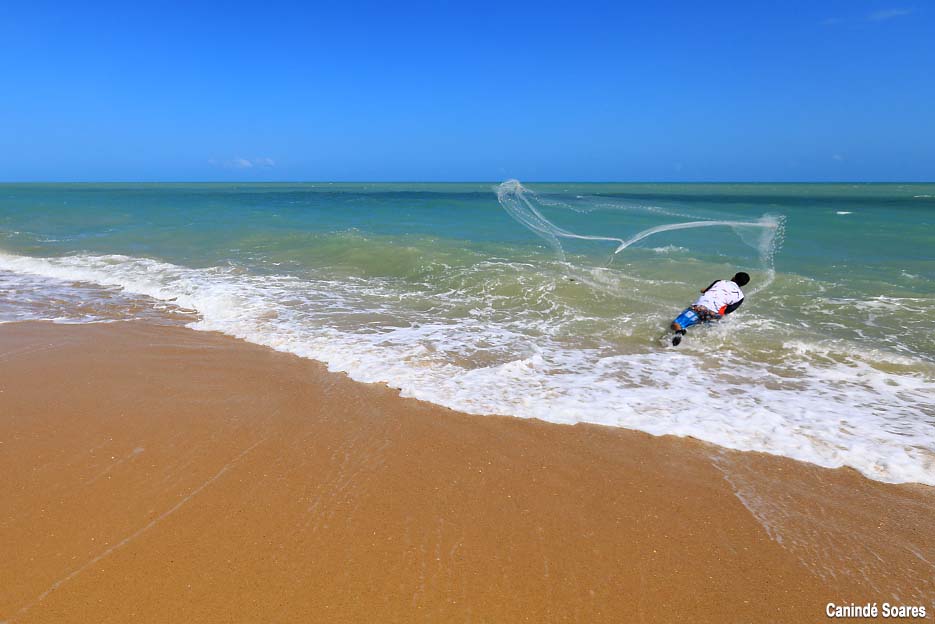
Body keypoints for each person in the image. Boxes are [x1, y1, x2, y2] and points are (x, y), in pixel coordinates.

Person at [670, 272, 750, 346]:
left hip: (700, 308)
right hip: (714, 315)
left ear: (734, 277)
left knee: (676, 324)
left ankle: (679, 333)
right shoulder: (741, 297)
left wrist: (702, 290)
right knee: (699, 326)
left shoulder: (720, 281)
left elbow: (706, 290)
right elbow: (727, 311)